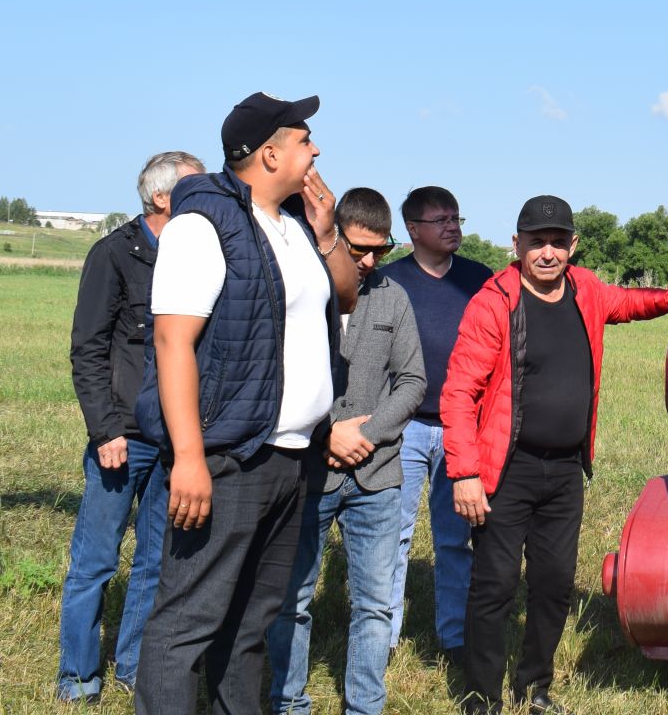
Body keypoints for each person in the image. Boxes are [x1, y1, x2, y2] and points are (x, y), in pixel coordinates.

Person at [443, 195, 668, 715]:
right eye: (536, 243)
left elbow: (627, 303)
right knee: (496, 587)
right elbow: (459, 392)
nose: (548, 253)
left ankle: (535, 688)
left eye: (558, 243)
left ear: (573, 245)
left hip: (564, 471)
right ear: (517, 245)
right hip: (506, 469)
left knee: (553, 587)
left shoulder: (586, 290)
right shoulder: (494, 303)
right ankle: (479, 696)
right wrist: (464, 473)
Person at [132, 94, 361, 715]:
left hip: (290, 458)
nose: (316, 151)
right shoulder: (203, 226)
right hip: (228, 457)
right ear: (269, 153)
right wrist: (189, 458)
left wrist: (326, 228)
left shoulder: (289, 228)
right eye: (305, 139)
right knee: (188, 621)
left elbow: (346, 296)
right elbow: (172, 341)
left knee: (252, 623)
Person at [267, 187, 424, 715]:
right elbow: (274, 377)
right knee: (293, 601)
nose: (369, 261)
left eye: (380, 249)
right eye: (358, 249)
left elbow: (412, 381)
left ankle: (365, 706)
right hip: (307, 474)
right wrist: (326, 433)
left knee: (376, 605)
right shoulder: (301, 290)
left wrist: (367, 434)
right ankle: (289, 703)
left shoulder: (393, 296)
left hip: (378, 477)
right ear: (330, 234)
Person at [56, 149, 205, 702]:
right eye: (195, 186)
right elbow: (88, 349)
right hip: (123, 438)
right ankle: (77, 674)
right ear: (162, 196)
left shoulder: (200, 256)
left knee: (156, 561)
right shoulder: (115, 253)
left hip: (177, 439)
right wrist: (105, 430)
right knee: (96, 559)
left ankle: (134, 664)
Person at [379, 186, 491, 656]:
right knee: (393, 537)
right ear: (412, 230)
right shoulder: (387, 282)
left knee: (454, 538)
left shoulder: (480, 279)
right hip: (403, 427)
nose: (453, 227)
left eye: (456, 219)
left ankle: (454, 637)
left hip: (461, 429)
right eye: (441, 220)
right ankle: (382, 641)